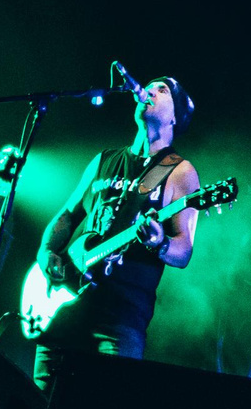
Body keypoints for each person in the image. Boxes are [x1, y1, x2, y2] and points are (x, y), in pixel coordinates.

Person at [31, 77, 200, 392]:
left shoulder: (180, 172)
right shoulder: (104, 159)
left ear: (176, 116)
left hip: (118, 323)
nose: (149, 91)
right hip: (64, 310)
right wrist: (46, 252)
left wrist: (159, 242)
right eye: (148, 86)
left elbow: (184, 250)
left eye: (162, 90)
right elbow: (68, 215)